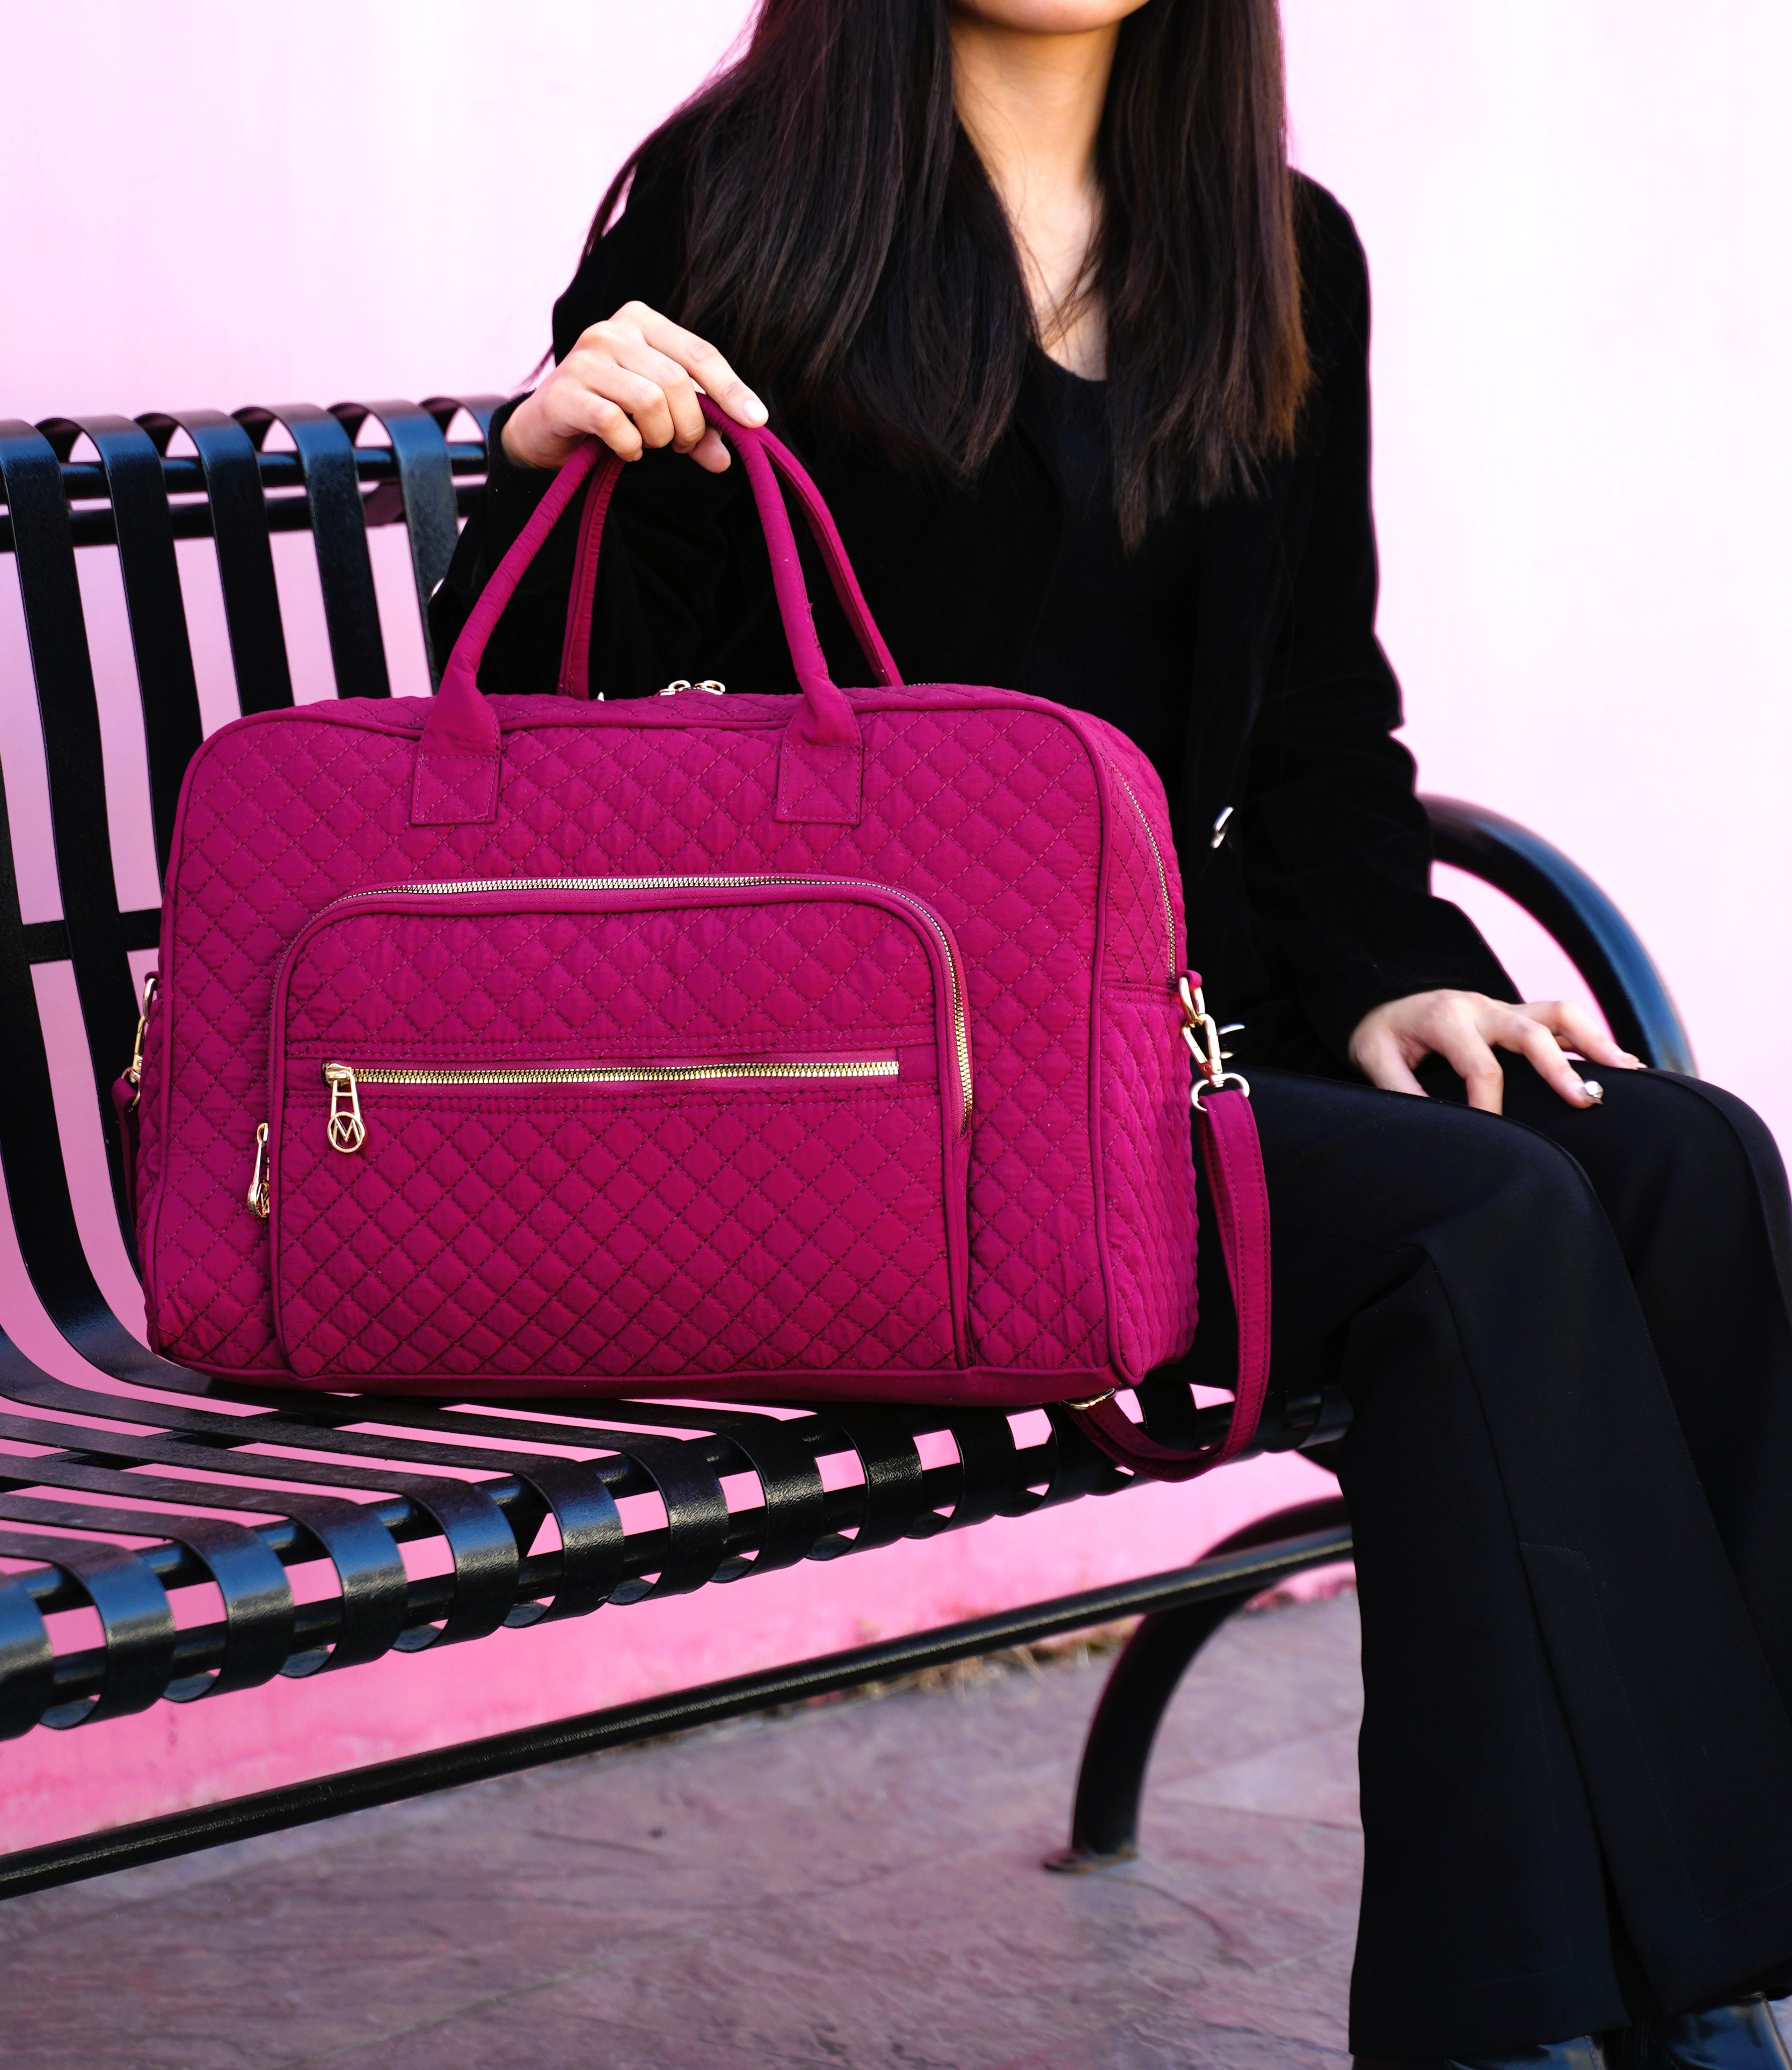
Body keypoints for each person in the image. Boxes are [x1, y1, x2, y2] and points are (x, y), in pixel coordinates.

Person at [433, 3, 1792, 2062]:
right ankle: (1518, 2021)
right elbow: (556, 735)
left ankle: (1702, 1975)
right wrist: (555, 459)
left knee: (1684, 1163)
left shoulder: (1274, 245)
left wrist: (1387, 968)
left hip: (1191, 1030)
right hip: (900, 1092)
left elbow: (1322, 696)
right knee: (1486, 1231)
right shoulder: (746, 213)